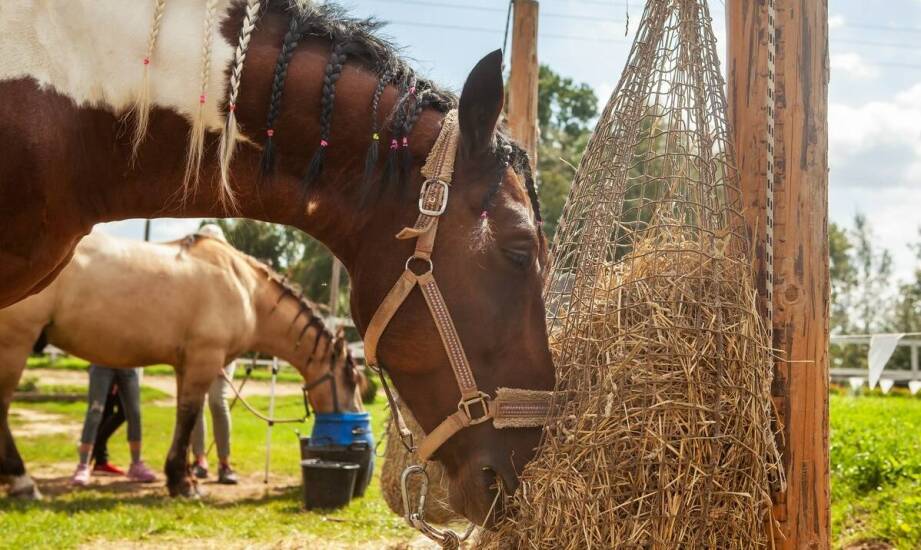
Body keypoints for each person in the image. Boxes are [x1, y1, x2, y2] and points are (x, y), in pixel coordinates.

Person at [72, 365, 156, 486]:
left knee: (134, 414)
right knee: (95, 412)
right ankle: (83, 465)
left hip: (128, 366)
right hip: (102, 364)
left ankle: (136, 464)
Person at [190, 362, 239, 485]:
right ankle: (200, 461)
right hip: (198, 356)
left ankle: (224, 464)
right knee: (195, 401)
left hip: (224, 355)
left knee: (217, 401)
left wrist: (223, 360)